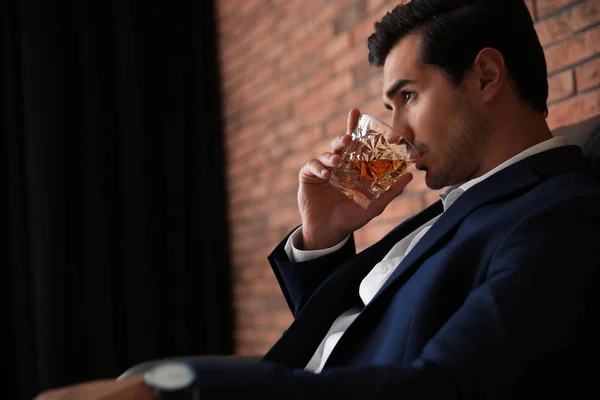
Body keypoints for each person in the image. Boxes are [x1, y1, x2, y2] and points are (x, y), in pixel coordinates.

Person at [35, 0, 600, 399]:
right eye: (388, 107)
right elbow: (352, 334)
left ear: (486, 75)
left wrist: (188, 394)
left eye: (407, 96)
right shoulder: (466, 201)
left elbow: (448, 386)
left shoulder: (558, 215)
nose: (395, 133)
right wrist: (323, 239)